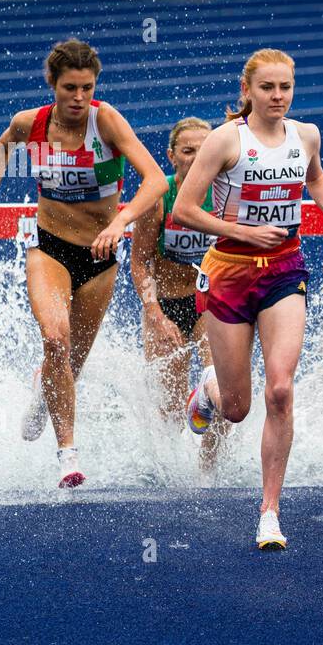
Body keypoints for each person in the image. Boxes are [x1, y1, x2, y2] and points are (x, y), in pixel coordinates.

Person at [0, 38, 169, 489]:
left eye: (87, 87)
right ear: (53, 86)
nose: (79, 97)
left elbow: (155, 179)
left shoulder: (108, 121)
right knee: (55, 340)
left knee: (69, 366)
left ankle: (43, 394)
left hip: (100, 256)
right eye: (69, 88)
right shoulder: (30, 123)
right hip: (49, 247)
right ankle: (68, 454)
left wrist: (121, 221)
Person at [175, 48, 323, 550]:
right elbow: (186, 209)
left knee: (280, 390)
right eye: (268, 88)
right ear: (247, 91)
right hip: (229, 270)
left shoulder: (306, 135)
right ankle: (210, 387)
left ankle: (269, 511)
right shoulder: (225, 140)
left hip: (285, 269)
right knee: (235, 409)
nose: (278, 97)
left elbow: (313, 175)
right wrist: (244, 234)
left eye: (285, 88)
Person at [129, 116, 222, 473]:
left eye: (204, 151)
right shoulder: (159, 198)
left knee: (222, 391)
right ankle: (173, 474)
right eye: (188, 151)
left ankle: (208, 472)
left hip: (211, 304)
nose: (198, 158)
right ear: (172, 156)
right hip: (166, 304)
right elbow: (139, 263)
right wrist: (154, 313)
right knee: (168, 408)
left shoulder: (226, 194)